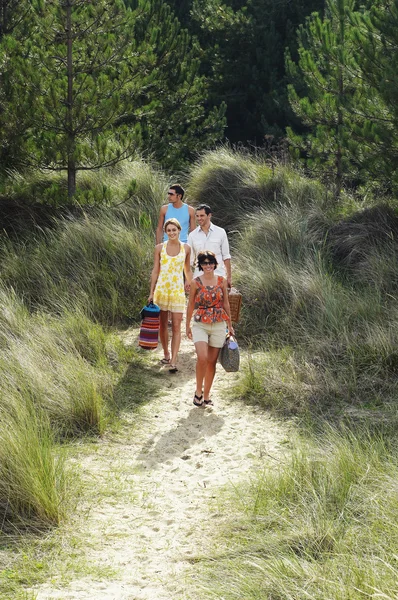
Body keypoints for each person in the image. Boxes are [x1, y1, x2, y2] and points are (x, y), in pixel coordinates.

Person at [186, 250, 234, 407]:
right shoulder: (195, 282)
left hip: (219, 323)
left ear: (215, 264)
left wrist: (230, 325)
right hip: (200, 323)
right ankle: (198, 392)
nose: (208, 265)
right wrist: (187, 325)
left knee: (212, 362)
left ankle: (206, 396)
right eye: (205, 263)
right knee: (202, 358)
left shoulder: (222, 281)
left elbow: (226, 303)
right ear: (200, 265)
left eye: (211, 262)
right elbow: (191, 304)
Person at [149, 218, 192, 372]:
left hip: (177, 291)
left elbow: (187, 270)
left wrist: (191, 284)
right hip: (161, 290)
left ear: (179, 230)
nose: (172, 232)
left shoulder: (186, 248)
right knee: (162, 325)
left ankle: (173, 360)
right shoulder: (159, 248)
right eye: (169, 230)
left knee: (176, 326)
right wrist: (151, 292)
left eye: (174, 230)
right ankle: (166, 354)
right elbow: (155, 270)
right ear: (166, 233)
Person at [187, 204, 232, 288]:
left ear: (209, 215)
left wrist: (229, 277)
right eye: (197, 216)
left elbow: (226, 256)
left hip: (219, 275)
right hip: (199, 277)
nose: (199, 218)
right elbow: (189, 261)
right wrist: (188, 280)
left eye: (202, 215)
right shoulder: (192, 236)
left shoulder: (221, 232)